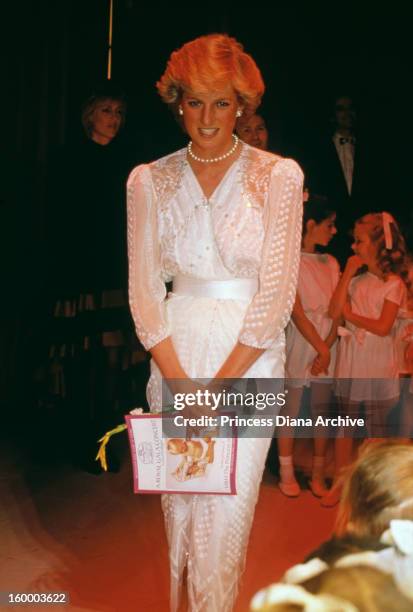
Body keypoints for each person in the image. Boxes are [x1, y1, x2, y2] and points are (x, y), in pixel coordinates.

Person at [126, 34, 303, 612]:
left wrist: (216, 390)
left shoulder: (279, 177)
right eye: (194, 101)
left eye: (221, 102)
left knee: (226, 520)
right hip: (174, 358)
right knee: (180, 513)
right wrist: (180, 384)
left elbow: (275, 299)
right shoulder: (147, 181)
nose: (207, 117)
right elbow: (145, 295)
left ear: (242, 105)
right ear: (176, 101)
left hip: (248, 365)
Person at [45, 84, 147, 472]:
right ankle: (81, 439)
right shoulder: (68, 158)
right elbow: (61, 221)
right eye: (107, 111)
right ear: (90, 116)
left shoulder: (127, 163)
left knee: (111, 363)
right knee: (81, 363)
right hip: (80, 274)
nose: (114, 120)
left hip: (114, 273)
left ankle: (104, 440)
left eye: (119, 113)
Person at [322, 213, 407, 506]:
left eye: (359, 241)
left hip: (377, 360)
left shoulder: (393, 284)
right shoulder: (356, 281)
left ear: (378, 245)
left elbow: (383, 328)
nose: (354, 247)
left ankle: (372, 487)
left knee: (376, 428)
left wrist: (352, 316)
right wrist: (347, 274)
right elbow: (334, 313)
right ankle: (340, 483)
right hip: (353, 359)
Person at [278, 196, 340, 497]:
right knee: (290, 409)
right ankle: (286, 471)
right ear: (310, 224)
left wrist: (327, 346)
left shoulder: (331, 262)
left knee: (320, 410)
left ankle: (317, 474)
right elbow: (297, 311)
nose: (334, 231)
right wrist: (319, 346)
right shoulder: (290, 261)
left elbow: (339, 307)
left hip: (327, 339)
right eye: (329, 225)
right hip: (302, 339)